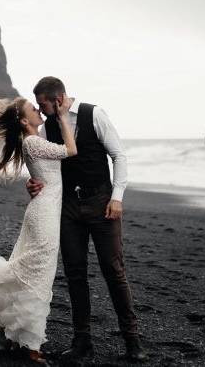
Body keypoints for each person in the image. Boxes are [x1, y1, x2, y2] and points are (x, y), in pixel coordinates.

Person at [27, 76, 146, 362]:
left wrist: (117, 197)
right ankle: (82, 342)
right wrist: (32, 183)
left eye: (43, 104)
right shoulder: (49, 126)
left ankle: (132, 341)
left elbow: (119, 156)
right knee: (75, 274)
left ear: (57, 99)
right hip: (68, 207)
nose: (40, 112)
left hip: (102, 202)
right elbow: (44, 163)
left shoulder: (94, 114)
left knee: (114, 271)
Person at [0, 95, 77, 364]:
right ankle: (31, 345)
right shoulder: (33, 141)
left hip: (44, 211)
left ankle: (23, 337)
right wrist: (62, 116)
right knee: (38, 275)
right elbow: (71, 151)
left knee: (34, 272)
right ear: (25, 121)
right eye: (33, 109)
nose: (39, 110)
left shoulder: (34, 141)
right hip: (44, 214)